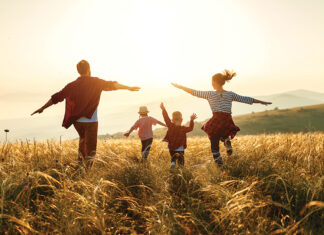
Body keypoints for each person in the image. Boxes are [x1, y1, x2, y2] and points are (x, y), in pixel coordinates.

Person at [31, 60, 140, 167]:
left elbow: (57, 97)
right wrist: (128, 88)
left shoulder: (72, 85)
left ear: (78, 71)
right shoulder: (96, 82)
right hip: (91, 121)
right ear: (89, 69)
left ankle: (80, 165)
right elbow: (113, 85)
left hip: (77, 122)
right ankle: (87, 171)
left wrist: (42, 108)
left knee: (83, 140)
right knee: (91, 148)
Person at [171, 70, 272, 166]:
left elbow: (193, 92)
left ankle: (219, 165)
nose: (211, 84)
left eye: (212, 82)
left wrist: (180, 86)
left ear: (215, 82)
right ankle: (226, 141)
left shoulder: (210, 94)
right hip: (227, 119)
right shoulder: (230, 94)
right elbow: (245, 99)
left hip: (216, 119)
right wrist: (262, 102)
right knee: (224, 134)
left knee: (214, 145)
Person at [160, 102, 197, 168]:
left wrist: (163, 109)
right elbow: (191, 128)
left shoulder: (170, 125)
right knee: (181, 159)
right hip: (180, 147)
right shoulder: (183, 128)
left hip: (171, 146)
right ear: (181, 120)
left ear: (172, 120)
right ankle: (181, 169)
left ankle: (173, 164)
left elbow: (166, 118)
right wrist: (191, 120)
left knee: (173, 157)